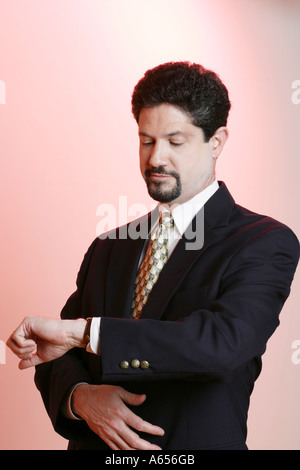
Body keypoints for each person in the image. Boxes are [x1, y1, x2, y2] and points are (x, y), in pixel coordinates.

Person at [7, 62, 299, 450]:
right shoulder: (108, 246)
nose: (156, 158)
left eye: (175, 142)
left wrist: (87, 333)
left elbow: (222, 344)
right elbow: (56, 354)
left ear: (217, 141)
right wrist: (80, 397)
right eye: (146, 141)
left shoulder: (264, 241)